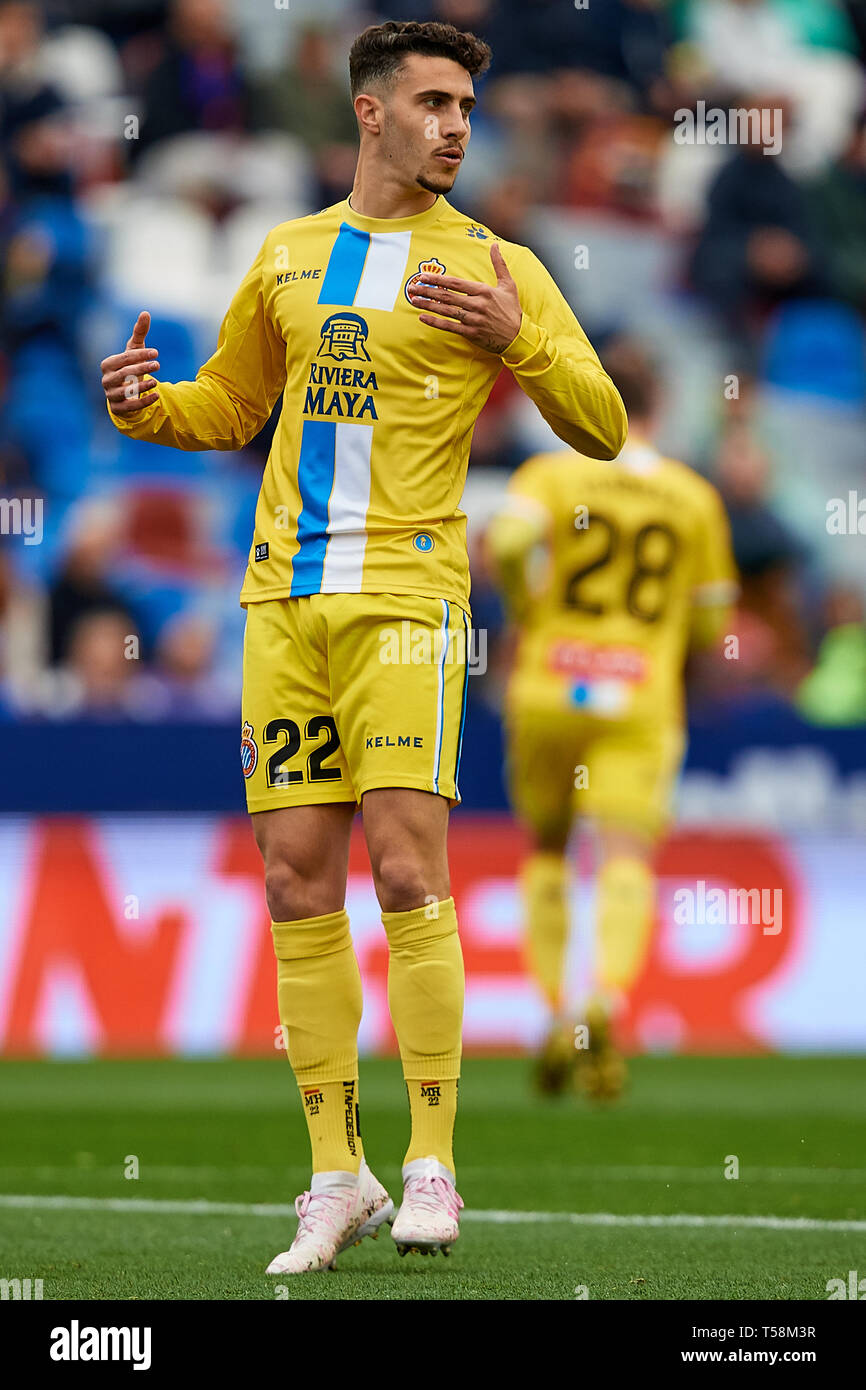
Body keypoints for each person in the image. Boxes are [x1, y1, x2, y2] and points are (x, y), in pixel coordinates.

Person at [100, 19, 626, 1274]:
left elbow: (601, 425)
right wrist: (145, 406)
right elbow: (232, 404)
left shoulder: (498, 264)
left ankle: (435, 1159)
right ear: (371, 112)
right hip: (282, 603)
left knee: (404, 869)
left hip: (406, 597)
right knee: (292, 879)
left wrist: (519, 338)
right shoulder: (288, 257)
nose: (455, 124)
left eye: (466, 105)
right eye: (433, 102)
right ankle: (337, 1177)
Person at [486, 339, 736, 1099]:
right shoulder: (693, 498)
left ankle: (558, 1007)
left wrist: (531, 612)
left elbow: (508, 540)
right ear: (659, 403)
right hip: (640, 696)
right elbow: (711, 624)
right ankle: (607, 1000)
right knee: (625, 854)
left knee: (550, 847)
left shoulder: (554, 472)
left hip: (548, 687)